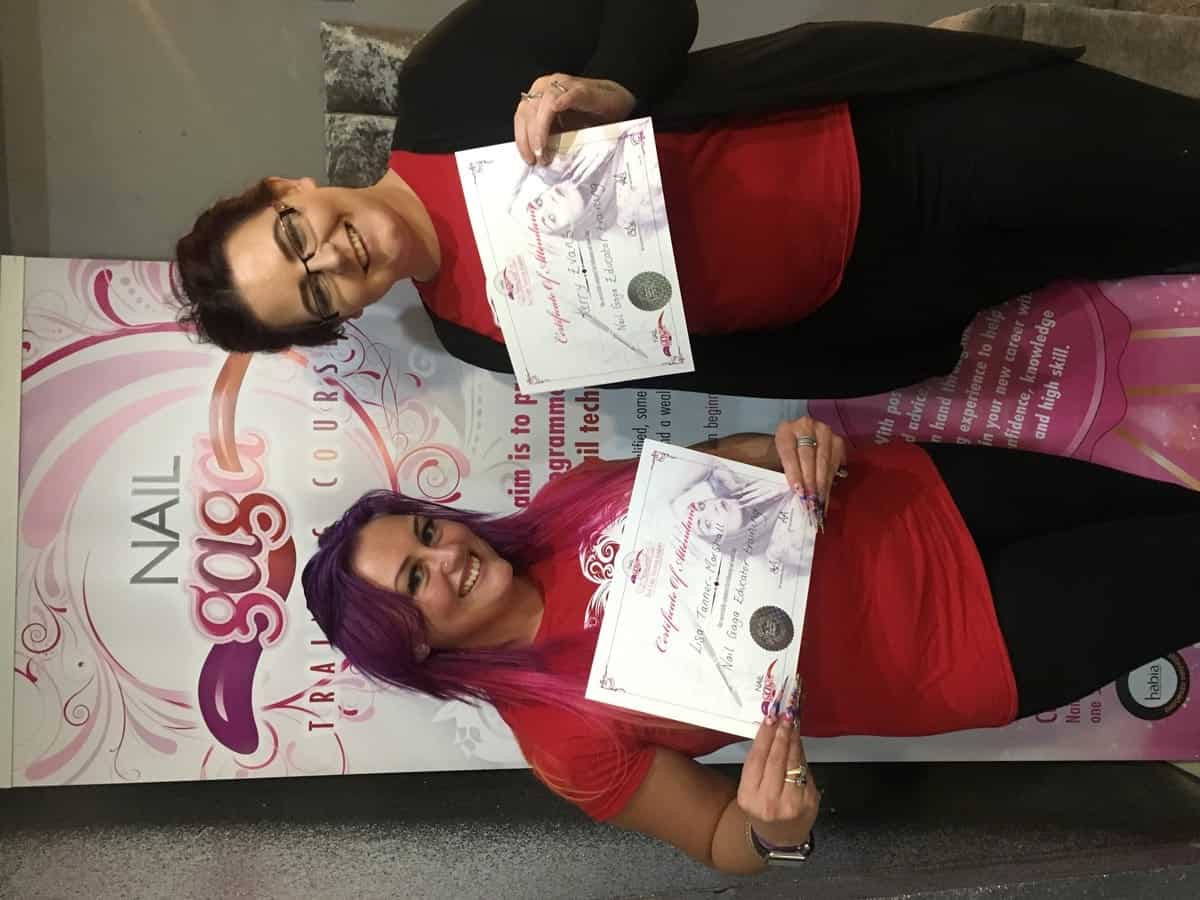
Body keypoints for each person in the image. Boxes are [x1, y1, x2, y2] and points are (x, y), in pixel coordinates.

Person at [301, 414, 1200, 874]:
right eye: (414, 581)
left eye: (426, 533)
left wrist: (786, 448)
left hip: (926, 492)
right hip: (971, 641)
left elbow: (728, 459)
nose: (448, 555)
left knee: (1177, 512)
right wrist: (776, 829)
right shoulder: (560, 739)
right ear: (413, 648)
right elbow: (720, 838)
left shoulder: (567, 498)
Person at [175, 0, 1200, 398]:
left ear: (287, 187)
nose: (332, 259)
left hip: (903, 140)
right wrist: (873, 362)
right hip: (901, 291)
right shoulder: (471, 339)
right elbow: (689, 357)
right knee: (1159, 244)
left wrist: (611, 88)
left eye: (294, 236)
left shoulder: (442, 86)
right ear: (340, 318)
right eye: (314, 292)